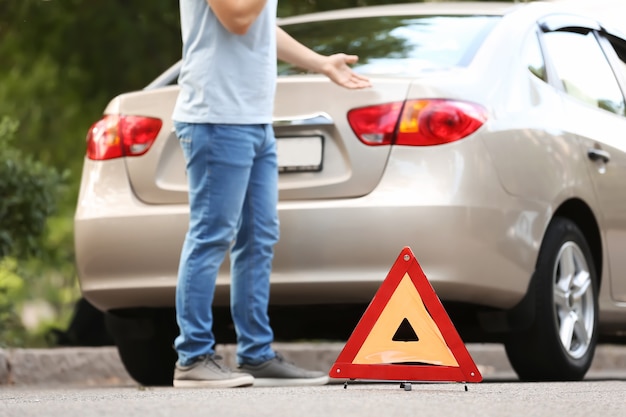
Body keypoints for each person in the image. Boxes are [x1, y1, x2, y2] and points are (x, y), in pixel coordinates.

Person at [171, 0, 371, 388]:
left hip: (255, 120)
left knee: (259, 237)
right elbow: (238, 18)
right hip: (216, 117)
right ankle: (192, 356)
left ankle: (257, 355)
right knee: (212, 235)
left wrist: (321, 62)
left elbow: (262, 26)